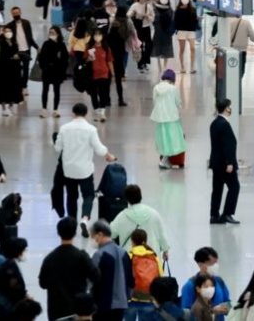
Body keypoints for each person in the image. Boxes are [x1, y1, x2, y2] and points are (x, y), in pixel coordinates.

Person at [54, 103, 118, 236]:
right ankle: (84, 218)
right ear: (86, 113)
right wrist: (109, 156)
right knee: (88, 195)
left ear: (73, 113)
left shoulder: (64, 128)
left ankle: (72, 224)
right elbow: (99, 149)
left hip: (69, 169)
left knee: (71, 197)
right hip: (85, 170)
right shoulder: (91, 129)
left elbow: (57, 148)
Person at [40, 217, 101, 321]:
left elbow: (43, 283)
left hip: (56, 310)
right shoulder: (81, 256)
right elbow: (96, 276)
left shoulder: (50, 258)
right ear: (75, 233)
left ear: (58, 233)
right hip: (78, 310)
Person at [110, 185, 170, 257]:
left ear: (127, 199)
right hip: (151, 258)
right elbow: (162, 235)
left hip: (130, 258)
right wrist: (165, 250)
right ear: (140, 196)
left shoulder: (121, 216)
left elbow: (110, 233)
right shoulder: (154, 214)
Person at [209, 99, 240, 225]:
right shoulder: (224, 125)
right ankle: (227, 213)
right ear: (226, 108)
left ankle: (214, 215)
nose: (230, 108)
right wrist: (230, 163)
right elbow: (228, 146)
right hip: (225, 164)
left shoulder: (214, 123)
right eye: (229, 106)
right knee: (234, 187)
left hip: (216, 163)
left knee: (217, 189)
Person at [90, 221, 129, 321]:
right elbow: (130, 280)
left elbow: (91, 280)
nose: (93, 240)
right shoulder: (124, 253)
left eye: (93, 237)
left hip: (102, 305)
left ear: (100, 234)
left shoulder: (99, 255)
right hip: (121, 304)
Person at [149, 70, 187, 170]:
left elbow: (154, 101)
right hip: (172, 117)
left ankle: (164, 159)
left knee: (163, 139)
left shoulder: (156, 88)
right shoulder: (173, 89)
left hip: (159, 117)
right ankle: (164, 161)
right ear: (172, 79)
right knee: (173, 139)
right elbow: (178, 102)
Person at [180, 248, 231, 321]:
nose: (215, 266)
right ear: (200, 264)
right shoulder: (190, 285)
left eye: (216, 263)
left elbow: (228, 303)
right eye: (211, 264)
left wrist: (227, 309)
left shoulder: (219, 281)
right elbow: (186, 314)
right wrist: (212, 311)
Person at [122, 228, 163, 318]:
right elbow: (160, 275)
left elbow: (123, 277)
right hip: (149, 298)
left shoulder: (129, 255)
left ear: (132, 241)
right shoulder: (153, 256)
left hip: (132, 298)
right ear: (145, 240)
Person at [0, 237, 29, 313]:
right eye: (24, 250)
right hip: (9, 306)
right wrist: (25, 296)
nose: (25, 252)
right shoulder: (10, 267)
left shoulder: (8, 264)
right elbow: (17, 289)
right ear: (18, 251)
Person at [38, 25, 69, 118]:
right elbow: (41, 57)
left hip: (57, 71)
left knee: (57, 90)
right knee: (45, 90)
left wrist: (62, 69)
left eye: (53, 33)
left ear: (58, 34)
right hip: (47, 71)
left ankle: (55, 110)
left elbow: (65, 58)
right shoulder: (46, 44)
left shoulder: (61, 45)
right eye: (50, 33)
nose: (51, 34)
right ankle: (44, 109)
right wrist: (44, 67)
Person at [0, 24, 24, 117]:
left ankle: (11, 105)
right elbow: (0, 55)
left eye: (9, 31)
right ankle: (3, 108)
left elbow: (17, 52)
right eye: (6, 31)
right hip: (3, 68)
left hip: (14, 68)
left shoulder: (14, 42)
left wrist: (18, 56)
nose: (8, 33)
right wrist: (11, 57)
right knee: (3, 87)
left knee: (13, 87)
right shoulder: (0, 42)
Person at [89, 29, 115, 122]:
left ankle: (102, 113)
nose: (97, 37)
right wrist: (89, 58)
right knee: (93, 94)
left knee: (103, 93)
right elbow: (84, 60)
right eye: (95, 35)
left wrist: (112, 74)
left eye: (99, 35)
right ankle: (96, 112)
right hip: (92, 74)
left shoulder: (106, 48)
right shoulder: (89, 48)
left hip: (104, 73)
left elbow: (109, 61)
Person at [5, 6, 36, 86]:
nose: (16, 14)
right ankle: (18, 86)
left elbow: (30, 37)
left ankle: (24, 86)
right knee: (17, 69)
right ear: (12, 14)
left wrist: (37, 47)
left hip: (26, 50)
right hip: (16, 51)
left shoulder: (26, 23)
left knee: (26, 69)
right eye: (14, 13)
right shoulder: (9, 25)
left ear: (20, 12)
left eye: (17, 13)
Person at [226, 14, 254, 79]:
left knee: (232, 68)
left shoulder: (231, 23)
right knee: (241, 71)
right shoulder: (246, 23)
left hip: (232, 50)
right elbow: (252, 36)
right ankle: (238, 83)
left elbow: (228, 35)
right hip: (242, 51)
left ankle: (232, 82)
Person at [128, 0, 155, 73]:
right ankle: (140, 64)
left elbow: (152, 18)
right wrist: (135, 13)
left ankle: (145, 61)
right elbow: (128, 15)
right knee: (139, 46)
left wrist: (147, 16)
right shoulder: (134, 5)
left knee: (149, 45)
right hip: (137, 28)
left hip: (146, 27)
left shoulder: (149, 6)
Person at [174, 0, 199, 74]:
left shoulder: (193, 9)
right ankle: (182, 67)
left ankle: (192, 67)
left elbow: (195, 20)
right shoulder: (178, 10)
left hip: (191, 31)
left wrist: (197, 20)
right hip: (181, 31)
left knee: (193, 48)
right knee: (182, 49)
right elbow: (175, 21)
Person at [151, 0, 176, 73]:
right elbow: (152, 20)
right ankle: (159, 65)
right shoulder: (155, 9)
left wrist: (171, 31)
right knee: (157, 48)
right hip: (158, 31)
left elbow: (173, 21)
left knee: (166, 49)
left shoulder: (170, 10)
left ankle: (165, 66)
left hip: (167, 32)